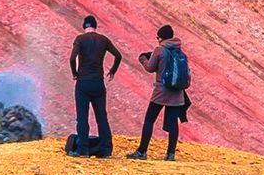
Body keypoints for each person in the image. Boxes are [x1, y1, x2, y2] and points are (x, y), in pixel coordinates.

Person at [131, 25, 189, 160]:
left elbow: (150, 68)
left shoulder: (159, 50)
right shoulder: (180, 52)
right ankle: (170, 154)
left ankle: (142, 151)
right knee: (173, 123)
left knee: (149, 120)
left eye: (158, 37)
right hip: (177, 94)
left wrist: (143, 59)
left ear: (161, 37)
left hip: (161, 92)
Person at [66, 14, 122, 156]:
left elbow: (72, 58)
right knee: (101, 116)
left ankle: (83, 149)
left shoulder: (80, 39)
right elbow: (118, 56)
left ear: (84, 26)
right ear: (95, 26)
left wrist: (75, 73)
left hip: (83, 82)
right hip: (98, 82)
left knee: (82, 117)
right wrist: (112, 71)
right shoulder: (103, 40)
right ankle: (106, 150)